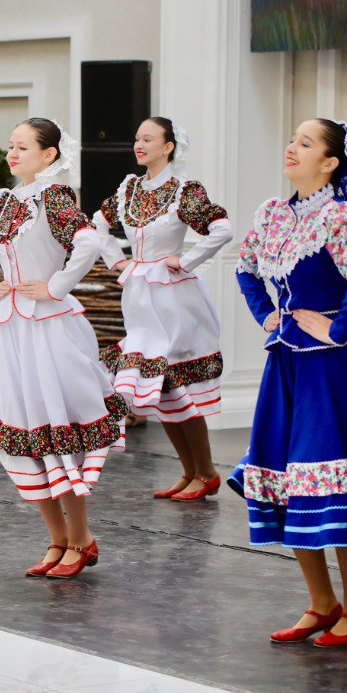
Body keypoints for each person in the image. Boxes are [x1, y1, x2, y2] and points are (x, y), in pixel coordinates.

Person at [231, 118, 347, 646]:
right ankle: (321, 601)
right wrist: (268, 316)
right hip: (287, 364)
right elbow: (245, 268)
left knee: (331, 481)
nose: (292, 147)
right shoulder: (272, 213)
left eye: (306, 143)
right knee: (293, 483)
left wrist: (337, 326)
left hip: (331, 370)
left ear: (331, 162)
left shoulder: (340, 216)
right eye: (291, 139)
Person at [0, 118, 126, 579]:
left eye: (23, 146)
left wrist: (56, 285)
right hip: (13, 328)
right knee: (26, 431)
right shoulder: (2, 201)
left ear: (49, 155)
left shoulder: (54, 196)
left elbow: (88, 241)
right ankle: (56, 539)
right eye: (10, 145)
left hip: (51, 328)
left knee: (58, 429)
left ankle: (81, 539)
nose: (12, 154)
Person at [95, 118, 232, 501]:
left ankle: (205, 471)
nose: (139, 144)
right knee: (162, 388)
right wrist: (116, 261)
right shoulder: (129, 189)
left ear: (168, 146)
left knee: (178, 384)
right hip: (139, 298)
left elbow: (222, 229)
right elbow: (96, 227)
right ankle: (190, 472)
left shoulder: (184, 190)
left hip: (175, 301)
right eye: (137, 138)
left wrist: (185, 261)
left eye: (148, 138)